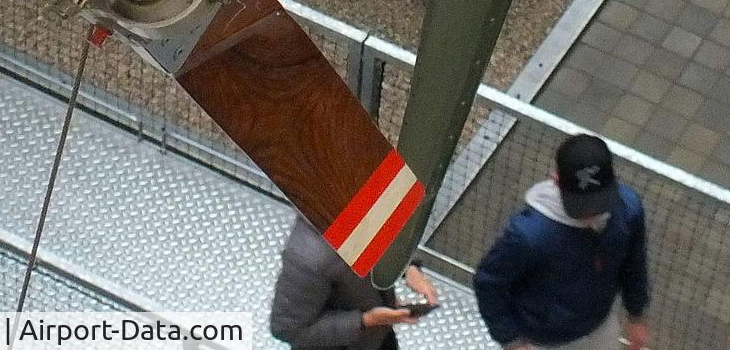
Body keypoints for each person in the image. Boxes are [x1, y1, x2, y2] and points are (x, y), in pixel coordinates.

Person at [474, 134, 651, 350]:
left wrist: (636, 315)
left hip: (599, 327)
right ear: (556, 180)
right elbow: (489, 282)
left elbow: (634, 265)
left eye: (599, 203)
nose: (591, 215)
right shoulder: (529, 235)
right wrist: (511, 340)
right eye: (581, 206)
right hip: (543, 340)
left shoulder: (628, 210)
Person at [269, 214, 440, 349]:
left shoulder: (364, 207)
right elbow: (287, 329)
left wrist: (407, 266)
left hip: (375, 338)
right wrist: (364, 321)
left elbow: (386, 233)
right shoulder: (308, 256)